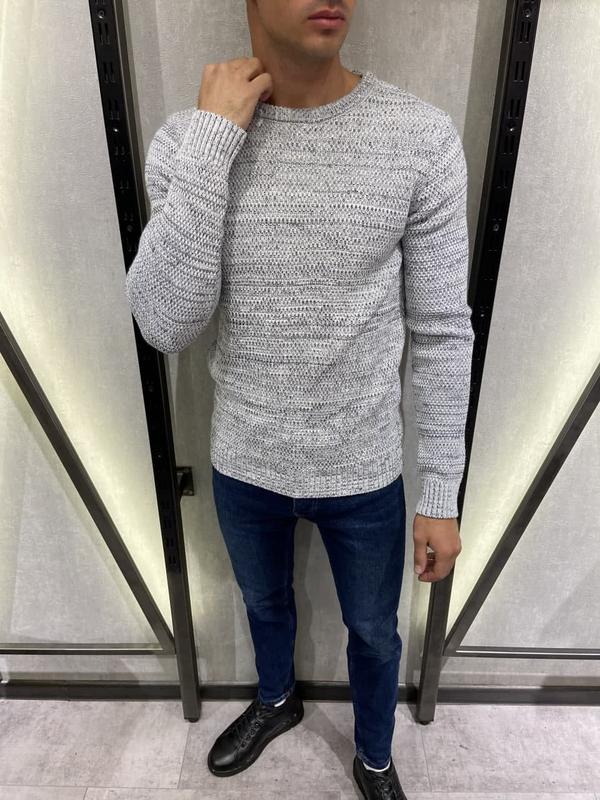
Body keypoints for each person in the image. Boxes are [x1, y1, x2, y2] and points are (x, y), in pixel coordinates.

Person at [125, 1, 475, 797]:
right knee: (264, 602)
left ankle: (374, 756)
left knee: (375, 633)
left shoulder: (418, 138)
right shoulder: (188, 140)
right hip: (245, 457)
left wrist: (442, 492)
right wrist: (215, 139)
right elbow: (166, 322)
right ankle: (277, 699)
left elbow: (442, 331)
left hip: (364, 465)